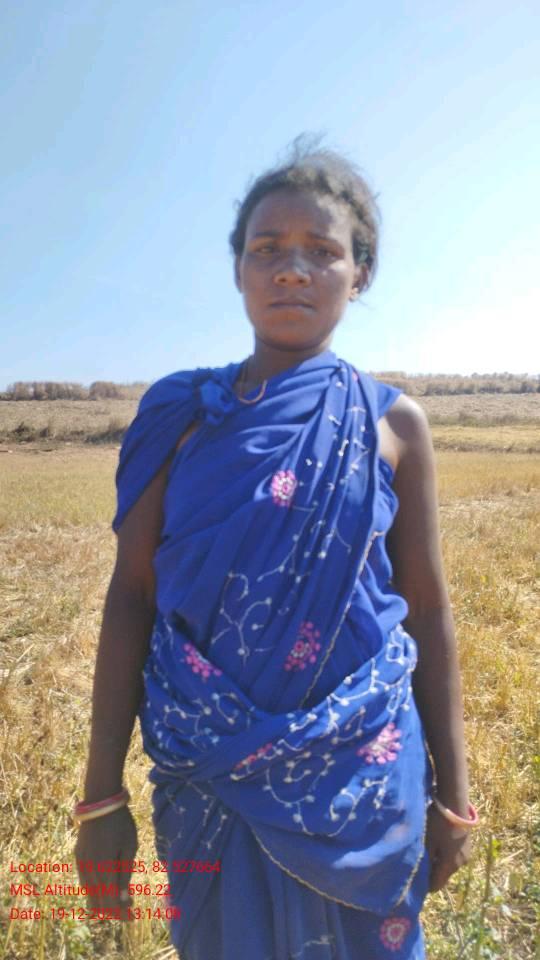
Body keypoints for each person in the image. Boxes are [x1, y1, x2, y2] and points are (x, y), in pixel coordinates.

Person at [74, 135, 477, 959]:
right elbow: (132, 595)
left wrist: (455, 793)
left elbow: (428, 611)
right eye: (267, 249)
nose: (292, 269)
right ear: (238, 270)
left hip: (362, 774)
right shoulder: (179, 415)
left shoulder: (393, 424)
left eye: (322, 251)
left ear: (360, 273)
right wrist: (100, 795)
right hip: (209, 770)